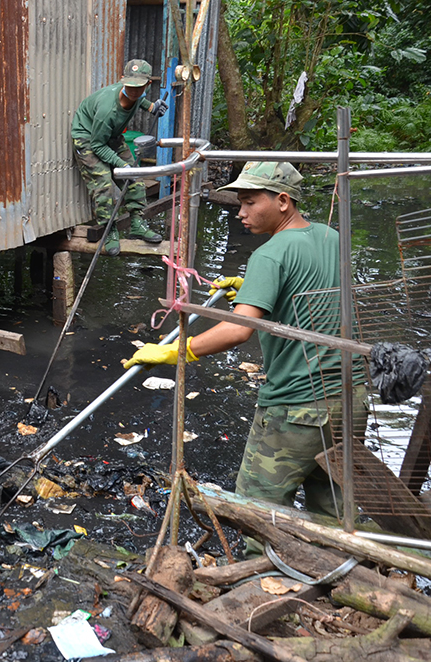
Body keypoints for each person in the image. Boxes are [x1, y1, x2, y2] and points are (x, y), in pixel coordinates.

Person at [123, 162, 356, 540]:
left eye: (249, 203)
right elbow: (314, 296)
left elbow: (236, 331)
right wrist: (254, 290)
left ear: (283, 201)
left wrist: (174, 352)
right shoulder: (332, 237)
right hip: (351, 400)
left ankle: (256, 585)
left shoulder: (271, 253)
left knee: (257, 515)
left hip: (296, 409)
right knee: (333, 515)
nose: (241, 213)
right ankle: (336, 582)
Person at [71, 59, 168, 256]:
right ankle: (109, 229)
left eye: (139, 87)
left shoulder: (138, 94)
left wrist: (152, 107)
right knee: (104, 183)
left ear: (147, 85)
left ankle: (137, 223)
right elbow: (98, 145)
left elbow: (138, 99)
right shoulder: (108, 109)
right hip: (88, 138)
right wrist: (121, 165)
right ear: (122, 80)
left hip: (111, 135)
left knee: (135, 177)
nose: (134, 90)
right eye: (130, 86)